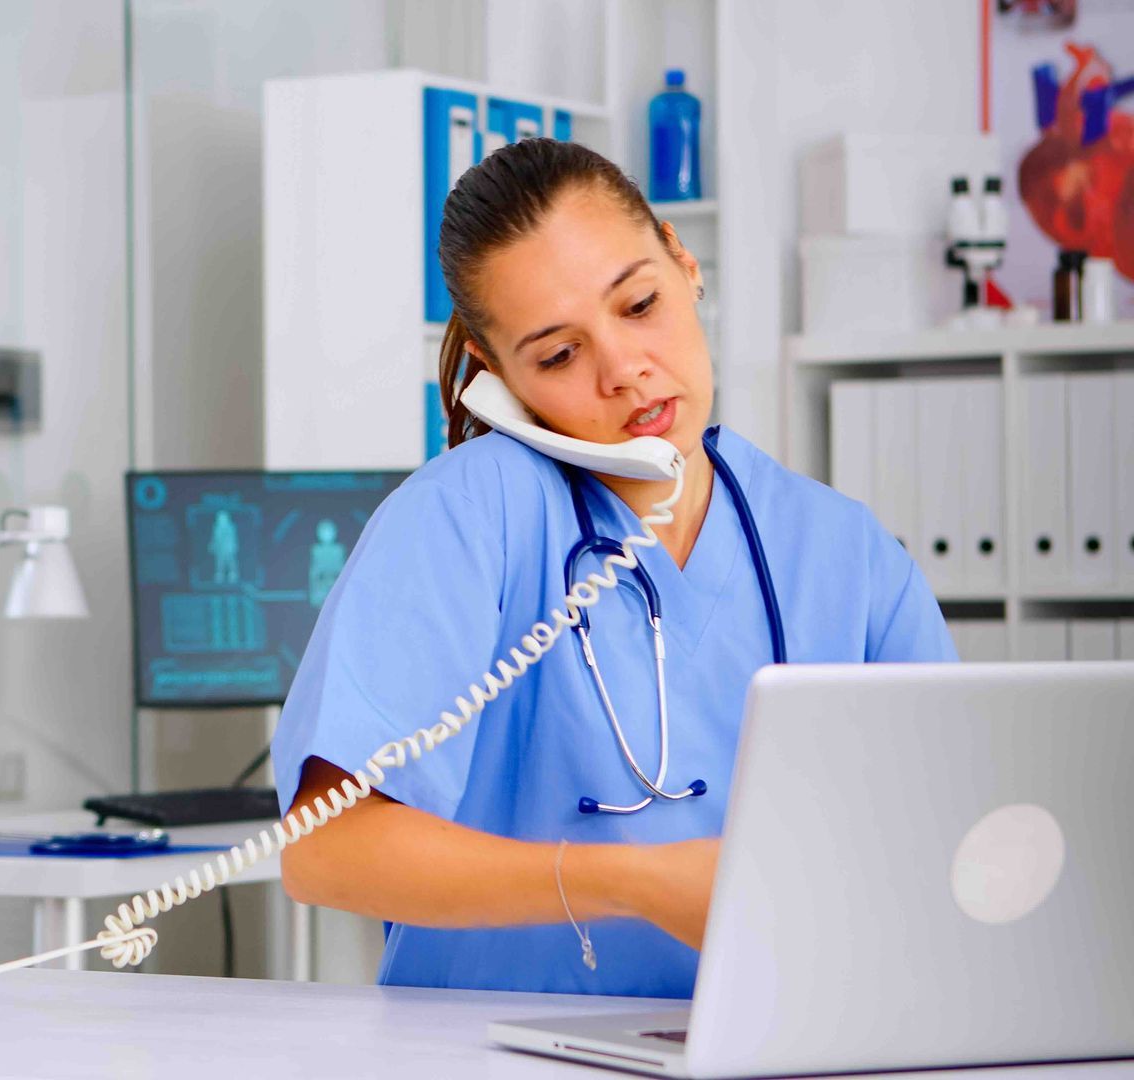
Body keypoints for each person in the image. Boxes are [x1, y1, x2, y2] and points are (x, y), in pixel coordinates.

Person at [272, 139, 955, 1000]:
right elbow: (325, 849)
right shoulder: (466, 517)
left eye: (639, 303)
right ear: (496, 374)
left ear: (683, 258)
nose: (624, 369)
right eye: (559, 356)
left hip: (772, 1044)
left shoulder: (844, 552)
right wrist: (631, 884)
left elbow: (947, 835)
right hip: (484, 1059)